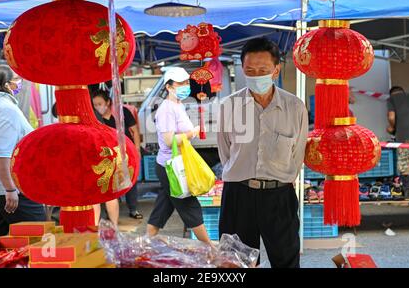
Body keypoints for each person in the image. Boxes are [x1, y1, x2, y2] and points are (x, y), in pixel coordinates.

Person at [217, 37, 308, 268]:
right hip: (238, 195)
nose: (256, 75)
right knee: (235, 265)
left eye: (263, 70)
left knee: (286, 261)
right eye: (250, 70)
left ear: (276, 70)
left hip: (279, 196)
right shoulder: (229, 106)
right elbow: (225, 152)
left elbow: (297, 153)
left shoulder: (294, 107)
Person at [0, 61, 46, 253]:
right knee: (40, 231)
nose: (20, 82)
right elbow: (1, 154)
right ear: (6, 84)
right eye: (17, 79)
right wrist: (10, 189)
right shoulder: (6, 109)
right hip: (5, 187)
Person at [146, 67, 212, 245]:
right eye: (180, 83)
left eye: (185, 82)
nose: (185, 86)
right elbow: (169, 140)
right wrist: (192, 133)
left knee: (163, 207)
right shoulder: (167, 109)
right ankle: (210, 247)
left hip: (172, 165)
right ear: (168, 87)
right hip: (172, 167)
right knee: (189, 205)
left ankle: (146, 242)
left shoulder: (178, 105)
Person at [92, 90, 143, 224]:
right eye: (95, 105)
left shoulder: (122, 113)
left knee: (129, 182)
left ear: (108, 102)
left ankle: (133, 209)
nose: (98, 107)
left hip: (125, 154)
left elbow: (135, 131)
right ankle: (108, 219)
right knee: (110, 190)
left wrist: (137, 149)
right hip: (107, 158)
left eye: (100, 104)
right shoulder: (95, 118)